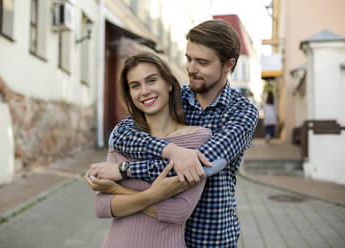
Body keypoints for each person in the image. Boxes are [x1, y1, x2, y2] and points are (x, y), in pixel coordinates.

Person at [90, 19, 259, 247]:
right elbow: (119, 135)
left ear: (228, 65)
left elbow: (196, 167)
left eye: (202, 62)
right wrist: (170, 150)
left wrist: (124, 171)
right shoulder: (176, 96)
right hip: (162, 234)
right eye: (188, 59)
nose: (191, 68)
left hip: (210, 237)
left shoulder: (241, 112)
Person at [85, 52, 226, 248]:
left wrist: (116, 189)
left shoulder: (198, 139)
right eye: (135, 85)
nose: (144, 91)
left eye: (151, 81)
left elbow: (178, 212)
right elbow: (102, 206)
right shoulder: (125, 137)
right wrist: (153, 195)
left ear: (169, 84)